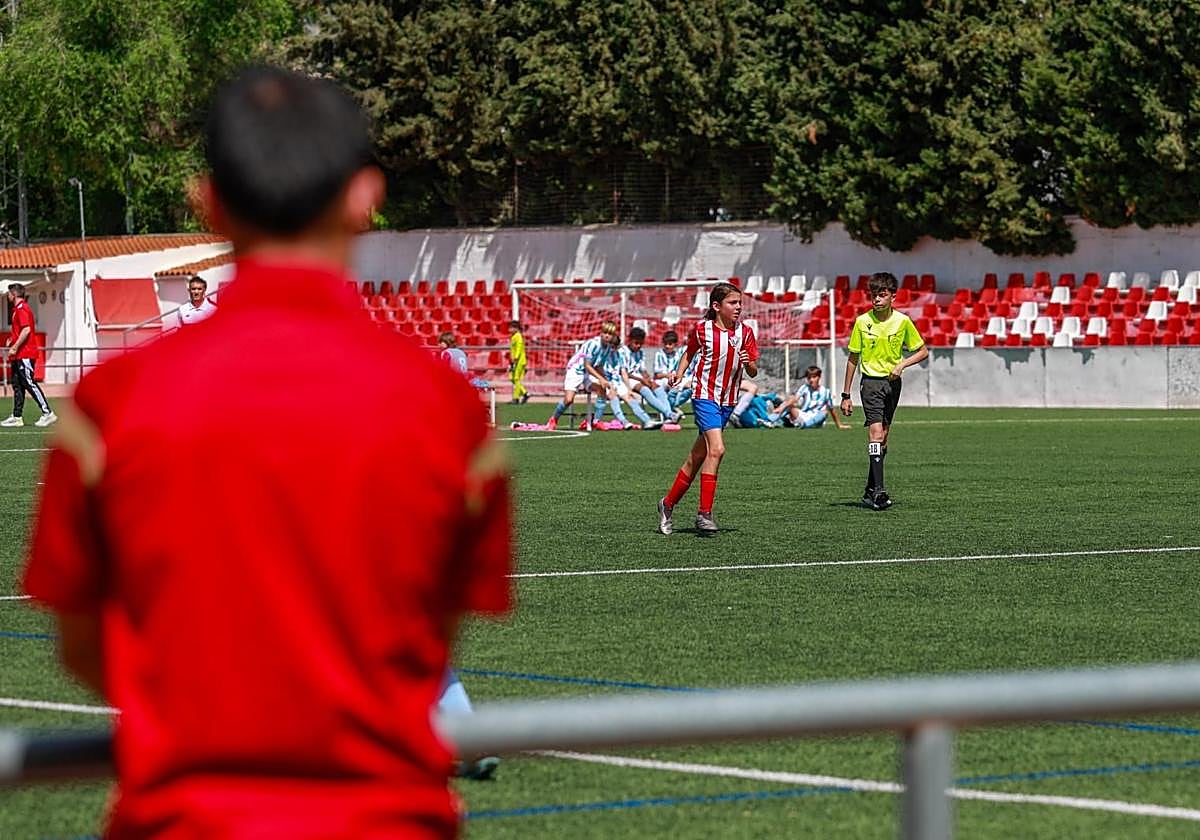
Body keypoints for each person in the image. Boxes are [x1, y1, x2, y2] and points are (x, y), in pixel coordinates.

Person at [22, 66, 512, 839]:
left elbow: (82, 641)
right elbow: (433, 636)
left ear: (208, 201)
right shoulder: (451, 413)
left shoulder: (105, 410)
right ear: (365, 197)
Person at [657, 282, 758, 535]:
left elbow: (754, 370)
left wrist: (749, 364)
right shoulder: (702, 330)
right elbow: (689, 353)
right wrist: (679, 374)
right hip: (704, 396)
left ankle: (667, 504)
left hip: (727, 400)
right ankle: (704, 513)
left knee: (696, 458)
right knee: (718, 449)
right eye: (733, 303)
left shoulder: (745, 333)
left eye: (739, 303)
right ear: (716, 306)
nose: (738, 307)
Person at [840, 271, 929, 510]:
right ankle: (879, 492)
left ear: (893, 297)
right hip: (870, 383)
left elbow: (922, 351)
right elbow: (853, 357)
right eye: (874, 295)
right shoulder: (862, 322)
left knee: (884, 437)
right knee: (876, 433)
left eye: (882, 295)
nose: (877, 299)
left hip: (892, 384)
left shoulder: (902, 321)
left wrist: (902, 364)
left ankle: (870, 489)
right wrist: (846, 395)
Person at [546, 320, 619, 430]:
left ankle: (596, 421)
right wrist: (601, 378)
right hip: (576, 370)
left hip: (587, 373)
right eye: (605, 333)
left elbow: (599, 366)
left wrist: (607, 381)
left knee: (602, 390)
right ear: (601, 332)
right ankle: (554, 419)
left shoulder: (608, 348)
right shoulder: (593, 344)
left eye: (609, 334)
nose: (606, 336)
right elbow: (587, 365)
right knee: (569, 400)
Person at [2, 283, 56, 428]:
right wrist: (12, 340)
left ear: (14, 294)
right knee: (17, 385)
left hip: (25, 353)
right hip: (19, 354)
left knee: (29, 382)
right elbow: (21, 330)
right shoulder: (17, 310)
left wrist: (15, 346)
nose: (7, 296)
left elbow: (26, 330)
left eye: (9, 293)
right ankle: (17, 416)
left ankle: (48, 413)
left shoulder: (22, 309)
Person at [778, 365, 849, 430]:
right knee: (789, 407)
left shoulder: (826, 392)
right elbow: (795, 399)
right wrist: (781, 407)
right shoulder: (804, 388)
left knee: (825, 412)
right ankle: (772, 420)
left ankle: (804, 424)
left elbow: (832, 409)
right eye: (809, 378)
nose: (811, 380)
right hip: (804, 415)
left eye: (814, 377)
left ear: (819, 377)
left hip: (817, 418)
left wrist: (839, 425)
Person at [653, 330, 693, 414]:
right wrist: (669, 375)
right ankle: (672, 409)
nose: (667, 346)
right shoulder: (659, 354)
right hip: (662, 379)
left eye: (670, 344)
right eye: (665, 344)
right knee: (672, 386)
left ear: (675, 344)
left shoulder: (678, 355)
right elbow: (657, 375)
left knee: (690, 387)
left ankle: (673, 406)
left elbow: (680, 371)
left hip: (675, 378)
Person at [507, 319, 528, 404]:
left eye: (511, 328)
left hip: (519, 361)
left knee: (516, 379)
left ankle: (515, 398)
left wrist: (515, 358)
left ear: (516, 328)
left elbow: (519, 348)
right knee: (511, 378)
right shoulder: (513, 336)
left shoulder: (518, 336)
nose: (509, 330)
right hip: (514, 360)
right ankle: (525, 393)